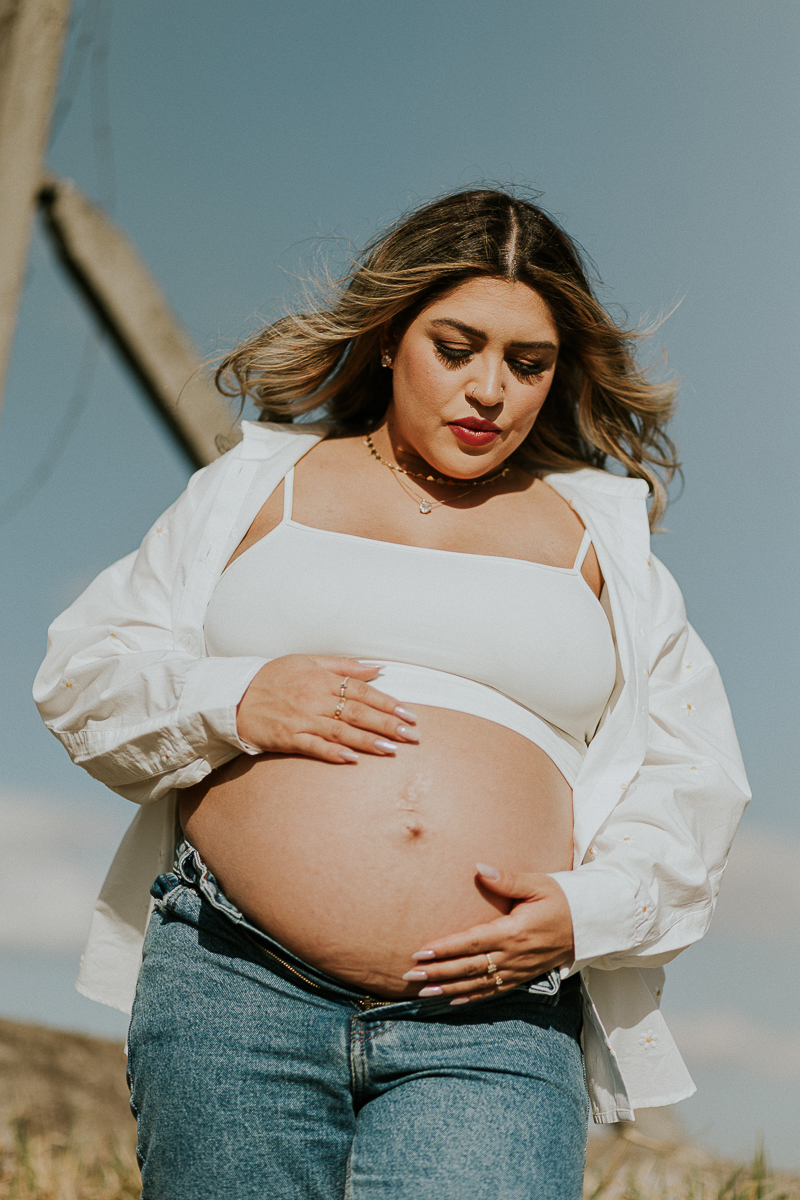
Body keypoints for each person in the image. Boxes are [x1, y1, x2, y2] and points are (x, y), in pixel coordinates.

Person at [34, 189, 749, 1200]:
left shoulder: (603, 539)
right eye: (455, 347)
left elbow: (693, 775)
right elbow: (85, 673)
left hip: (494, 1017)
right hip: (235, 985)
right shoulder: (258, 483)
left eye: (525, 362)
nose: (488, 389)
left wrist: (587, 910)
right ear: (385, 338)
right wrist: (236, 698)